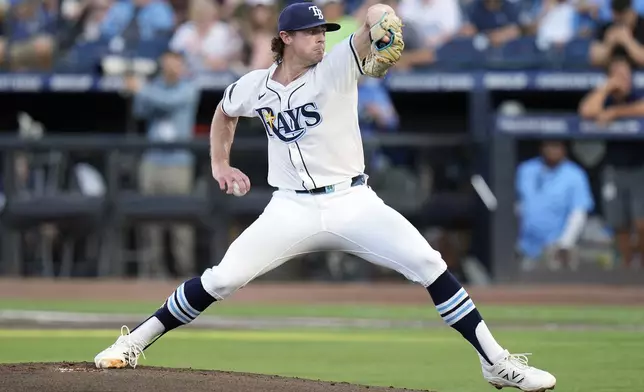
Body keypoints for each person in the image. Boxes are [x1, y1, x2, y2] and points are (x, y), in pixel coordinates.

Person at [94, 3, 556, 391]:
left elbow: (370, 20)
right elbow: (224, 110)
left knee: (430, 264)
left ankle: (495, 362)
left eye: (323, 31)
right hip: (291, 207)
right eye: (311, 32)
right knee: (221, 279)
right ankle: (133, 340)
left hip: (353, 202)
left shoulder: (336, 66)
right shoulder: (255, 85)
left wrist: (384, 16)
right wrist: (220, 163)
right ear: (285, 38)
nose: (321, 38)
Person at [126, 49, 200, 278]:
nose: (171, 68)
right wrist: (139, 92)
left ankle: (185, 271)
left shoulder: (189, 88)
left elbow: (170, 103)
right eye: (168, 64)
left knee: (180, 220)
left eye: (176, 64)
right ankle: (153, 270)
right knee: (151, 220)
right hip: (152, 160)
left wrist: (140, 89)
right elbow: (139, 111)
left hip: (178, 161)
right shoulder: (154, 87)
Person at [579, 54, 644, 268]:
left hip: (639, 167)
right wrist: (606, 88)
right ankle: (627, 270)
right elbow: (586, 110)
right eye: (616, 74)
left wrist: (616, 112)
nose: (621, 78)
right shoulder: (605, 97)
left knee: (641, 223)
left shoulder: (637, 93)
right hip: (614, 169)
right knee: (619, 225)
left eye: (625, 73)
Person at [515, 141, 594, 271]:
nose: (553, 150)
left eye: (557, 146)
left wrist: (565, 243)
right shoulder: (526, 169)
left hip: (556, 249)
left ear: (565, 149)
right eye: (549, 145)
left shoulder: (575, 174)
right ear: (542, 147)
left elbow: (579, 212)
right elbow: (515, 206)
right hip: (525, 247)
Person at [590, 0, 644, 67]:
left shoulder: (641, 26)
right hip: (613, 73)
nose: (619, 22)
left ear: (631, 12)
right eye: (616, 18)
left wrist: (628, 42)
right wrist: (609, 44)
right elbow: (594, 59)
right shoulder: (607, 27)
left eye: (623, 18)